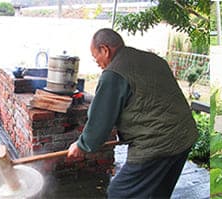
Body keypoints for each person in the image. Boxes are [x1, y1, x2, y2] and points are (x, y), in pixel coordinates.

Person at [66, 28, 199, 198]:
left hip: (156, 144)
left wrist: (82, 145)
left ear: (105, 50)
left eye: (95, 57)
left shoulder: (114, 73)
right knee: (157, 192)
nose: (97, 63)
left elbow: (100, 120)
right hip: (185, 136)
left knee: (119, 193)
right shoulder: (153, 59)